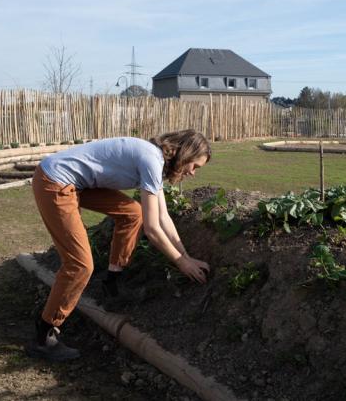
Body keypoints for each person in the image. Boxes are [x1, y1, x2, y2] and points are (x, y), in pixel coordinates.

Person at [27, 129, 212, 361]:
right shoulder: (151, 159)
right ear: (185, 154)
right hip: (54, 181)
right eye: (195, 166)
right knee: (80, 265)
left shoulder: (154, 160)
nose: (193, 173)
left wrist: (186, 255)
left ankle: (112, 281)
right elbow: (153, 229)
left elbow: (163, 216)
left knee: (133, 214)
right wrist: (181, 263)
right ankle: (43, 336)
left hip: (79, 183)